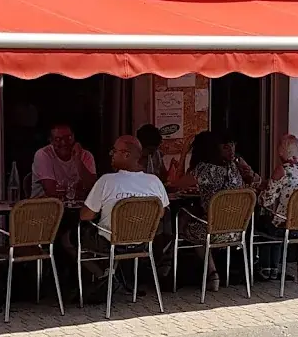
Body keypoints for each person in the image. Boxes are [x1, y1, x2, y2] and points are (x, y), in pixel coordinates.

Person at [77, 136, 169, 281]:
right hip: (143, 243)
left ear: (126, 155)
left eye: (114, 151)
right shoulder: (154, 181)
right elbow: (161, 212)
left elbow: (85, 216)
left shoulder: (106, 181)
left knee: (69, 239)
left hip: (109, 243)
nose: (111, 154)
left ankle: (103, 276)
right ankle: (113, 276)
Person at [169, 130, 245, 292]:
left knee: (183, 220)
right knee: (193, 215)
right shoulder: (233, 168)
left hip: (212, 231)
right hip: (237, 231)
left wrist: (183, 154)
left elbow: (176, 184)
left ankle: (211, 273)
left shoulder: (203, 170)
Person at [255, 134, 298, 280]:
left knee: (264, 224)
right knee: (273, 224)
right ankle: (273, 268)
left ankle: (266, 268)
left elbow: (266, 201)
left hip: (287, 226)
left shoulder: (282, 170)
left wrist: (257, 190)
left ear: (281, 152)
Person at [31, 123, 97, 200]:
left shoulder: (85, 155)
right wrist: (76, 191)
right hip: (43, 207)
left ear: (73, 137)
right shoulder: (43, 154)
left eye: (68, 138)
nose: (64, 143)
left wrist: (78, 160)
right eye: (58, 139)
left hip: (76, 207)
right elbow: (51, 192)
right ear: (51, 141)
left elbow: (93, 189)